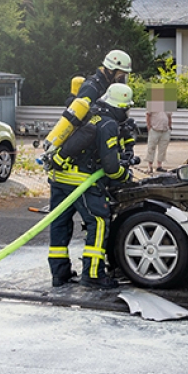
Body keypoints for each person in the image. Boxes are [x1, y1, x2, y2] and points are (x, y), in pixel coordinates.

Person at [46, 83, 134, 290]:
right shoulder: (108, 124)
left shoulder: (89, 113)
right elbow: (111, 167)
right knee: (98, 222)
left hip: (59, 176)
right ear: (120, 107)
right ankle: (93, 274)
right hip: (81, 181)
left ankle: (60, 274)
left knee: (59, 224)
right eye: (127, 108)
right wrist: (125, 175)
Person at [42, 49, 132, 152]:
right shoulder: (91, 88)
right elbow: (85, 121)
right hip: (88, 147)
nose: (122, 80)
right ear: (111, 70)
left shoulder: (105, 87)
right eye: (121, 75)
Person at [144, 83, 174, 172]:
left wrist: (170, 127)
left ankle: (159, 166)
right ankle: (150, 166)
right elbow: (148, 115)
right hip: (155, 129)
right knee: (151, 147)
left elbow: (169, 117)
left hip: (165, 130)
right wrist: (149, 127)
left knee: (163, 148)